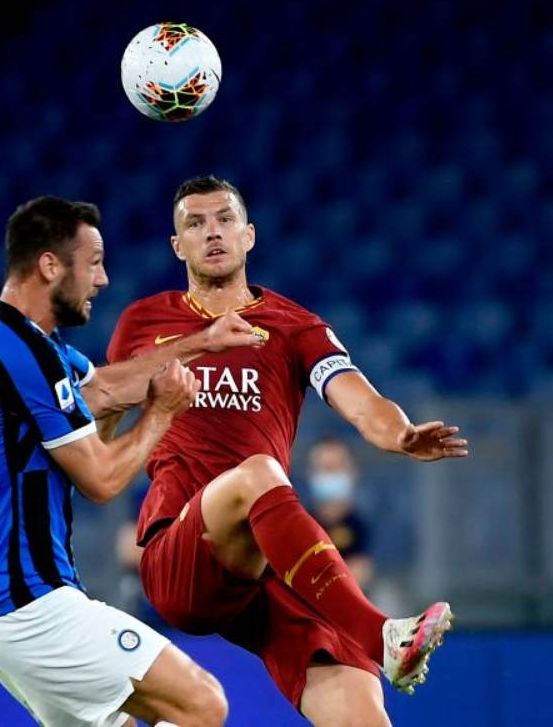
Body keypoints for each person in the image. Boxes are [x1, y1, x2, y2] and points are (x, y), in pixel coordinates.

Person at [106, 175, 468, 726]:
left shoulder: (295, 327)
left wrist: (399, 433)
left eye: (225, 219)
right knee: (258, 474)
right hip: (181, 550)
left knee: (360, 710)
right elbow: (98, 424)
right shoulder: (143, 323)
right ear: (176, 246)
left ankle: (372, 646)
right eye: (195, 224)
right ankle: (381, 634)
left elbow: (361, 400)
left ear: (249, 235)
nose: (213, 233)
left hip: (268, 556)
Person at [0, 195, 264, 727]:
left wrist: (205, 341)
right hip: (28, 603)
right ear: (50, 265)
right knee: (202, 704)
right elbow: (101, 478)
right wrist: (161, 414)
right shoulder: (21, 353)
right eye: (92, 263)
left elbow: (108, 384)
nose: (103, 279)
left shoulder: (13, 339)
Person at [306, 436, 375, 590]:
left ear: (352, 472)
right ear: (311, 473)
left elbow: (360, 573)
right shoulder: (300, 525)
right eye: (324, 469)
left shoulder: (360, 526)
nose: (330, 475)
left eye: (335, 468)